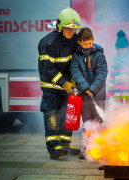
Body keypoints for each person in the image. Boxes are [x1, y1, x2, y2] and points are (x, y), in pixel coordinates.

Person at [38, 7, 82, 159]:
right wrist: (64, 83)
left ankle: (64, 145)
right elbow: (47, 69)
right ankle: (53, 148)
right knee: (52, 115)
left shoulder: (74, 40)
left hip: (68, 88)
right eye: (68, 29)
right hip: (52, 88)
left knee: (67, 115)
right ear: (60, 26)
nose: (71, 32)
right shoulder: (48, 44)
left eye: (74, 29)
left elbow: (78, 59)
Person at [70, 27, 108, 159]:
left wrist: (92, 89)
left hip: (98, 95)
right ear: (79, 42)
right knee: (87, 123)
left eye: (90, 43)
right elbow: (76, 72)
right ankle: (87, 149)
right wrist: (85, 87)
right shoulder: (76, 56)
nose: (87, 46)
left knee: (99, 123)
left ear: (93, 40)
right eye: (84, 44)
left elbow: (101, 74)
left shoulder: (99, 55)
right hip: (84, 95)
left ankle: (102, 149)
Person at [107, 30, 129, 102]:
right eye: (118, 49)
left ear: (128, 48)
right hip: (118, 97)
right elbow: (112, 80)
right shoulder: (115, 62)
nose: (121, 51)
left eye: (123, 48)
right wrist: (110, 95)